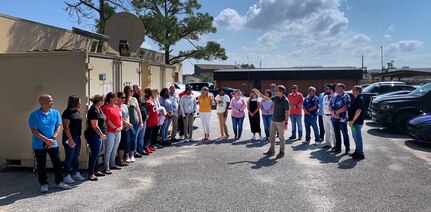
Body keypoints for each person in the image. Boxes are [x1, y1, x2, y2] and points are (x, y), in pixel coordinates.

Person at [29, 94, 72, 192]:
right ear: (41, 102)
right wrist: (46, 140)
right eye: (49, 101)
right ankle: (43, 184)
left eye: (52, 100)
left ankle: (60, 182)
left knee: (57, 163)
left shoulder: (55, 112)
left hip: (53, 143)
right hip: (39, 145)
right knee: (41, 165)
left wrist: (53, 138)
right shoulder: (34, 115)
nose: (51, 102)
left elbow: (59, 126)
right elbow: (34, 130)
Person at [254, 86, 290, 157]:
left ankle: (282, 152)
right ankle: (271, 150)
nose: (275, 91)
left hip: (280, 121)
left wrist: (286, 123)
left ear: (281, 92)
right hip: (273, 120)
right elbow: (266, 99)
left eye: (277, 90)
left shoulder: (286, 100)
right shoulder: (276, 98)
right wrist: (259, 93)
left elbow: (287, 113)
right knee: (272, 136)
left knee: (281, 137)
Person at [61, 95, 85, 184]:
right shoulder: (67, 113)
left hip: (77, 137)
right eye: (79, 101)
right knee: (69, 156)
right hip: (70, 137)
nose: (80, 103)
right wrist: (70, 139)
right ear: (74, 102)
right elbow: (66, 127)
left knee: (76, 156)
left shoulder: (77, 112)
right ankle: (66, 175)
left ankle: (76, 173)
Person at [84, 95, 107, 181]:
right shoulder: (93, 111)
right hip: (93, 135)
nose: (105, 101)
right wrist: (101, 134)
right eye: (104, 100)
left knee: (97, 153)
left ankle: (96, 170)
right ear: (99, 101)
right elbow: (95, 125)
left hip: (97, 135)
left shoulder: (99, 109)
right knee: (94, 154)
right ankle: (91, 174)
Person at [102, 92, 122, 174]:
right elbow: (107, 120)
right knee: (109, 149)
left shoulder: (117, 107)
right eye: (115, 97)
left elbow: (120, 118)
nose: (117, 99)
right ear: (110, 98)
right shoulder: (106, 108)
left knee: (115, 148)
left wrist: (120, 127)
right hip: (110, 131)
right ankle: (106, 166)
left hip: (118, 131)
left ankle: (112, 164)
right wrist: (115, 127)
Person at [330, 83, 351, 154]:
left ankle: (347, 148)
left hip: (343, 119)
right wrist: (333, 113)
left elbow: (346, 107)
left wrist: (336, 112)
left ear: (343, 88)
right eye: (336, 87)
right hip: (334, 118)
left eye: (339, 87)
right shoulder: (334, 96)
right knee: (337, 134)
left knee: (345, 134)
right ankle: (338, 148)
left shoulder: (346, 96)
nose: (337, 89)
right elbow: (330, 105)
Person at [125, 86, 143, 162]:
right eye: (131, 90)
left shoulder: (134, 99)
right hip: (126, 124)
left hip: (135, 122)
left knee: (133, 139)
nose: (132, 92)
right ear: (127, 91)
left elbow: (138, 111)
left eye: (133, 90)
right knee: (127, 140)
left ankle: (132, 154)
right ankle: (126, 155)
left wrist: (141, 121)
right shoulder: (124, 99)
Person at [348, 86, 366, 160]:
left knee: (357, 137)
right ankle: (357, 151)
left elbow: (358, 111)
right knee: (355, 137)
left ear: (358, 91)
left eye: (354, 90)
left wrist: (353, 120)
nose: (352, 91)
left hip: (356, 122)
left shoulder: (359, 99)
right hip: (353, 122)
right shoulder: (356, 98)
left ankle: (360, 153)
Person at [116, 92, 134, 167]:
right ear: (118, 98)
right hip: (120, 127)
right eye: (122, 98)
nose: (124, 99)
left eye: (124, 98)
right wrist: (127, 124)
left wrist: (128, 124)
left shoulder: (125, 106)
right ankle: (119, 159)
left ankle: (122, 159)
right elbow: (120, 118)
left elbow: (127, 116)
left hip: (126, 127)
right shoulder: (116, 107)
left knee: (125, 142)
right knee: (120, 144)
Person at [133, 85, 149, 156]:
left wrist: (147, 114)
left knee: (141, 137)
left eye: (140, 90)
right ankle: (135, 151)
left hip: (144, 120)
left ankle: (141, 150)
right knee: (136, 137)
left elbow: (146, 107)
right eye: (138, 91)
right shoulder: (133, 99)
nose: (139, 92)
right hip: (138, 121)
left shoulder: (142, 98)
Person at [143, 88, 158, 154]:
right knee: (147, 134)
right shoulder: (145, 100)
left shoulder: (150, 99)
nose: (151, 93)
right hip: (149, 120)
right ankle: (145, 147)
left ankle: (149, 145)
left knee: (151, 134)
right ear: (146, 92)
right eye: (150, 91)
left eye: (151, 91)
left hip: (153, 120)